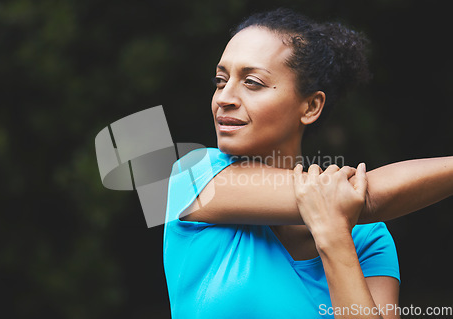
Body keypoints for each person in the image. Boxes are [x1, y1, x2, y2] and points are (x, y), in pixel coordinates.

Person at [163, 8, 453, 318]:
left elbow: (347, 202)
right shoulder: (195, 174)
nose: (224, 97)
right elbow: (363, 197)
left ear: (311, 106)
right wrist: (336, 213)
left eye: (252, 82)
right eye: (221, 81)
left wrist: (334, 239)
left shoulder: (368, 238)